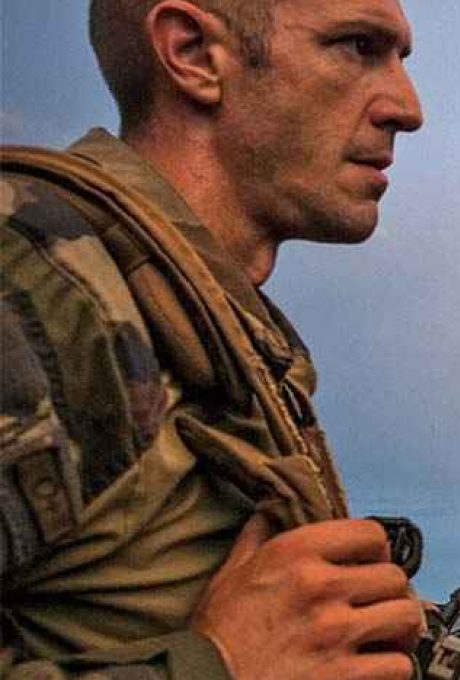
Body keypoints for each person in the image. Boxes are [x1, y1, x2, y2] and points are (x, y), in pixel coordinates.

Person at [1, 1, 424, 678]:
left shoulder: (223, 336)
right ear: (193, 53)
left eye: (402, 59)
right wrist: (217, 665)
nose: (408, 106)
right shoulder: (37, 276)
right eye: (356, 47)